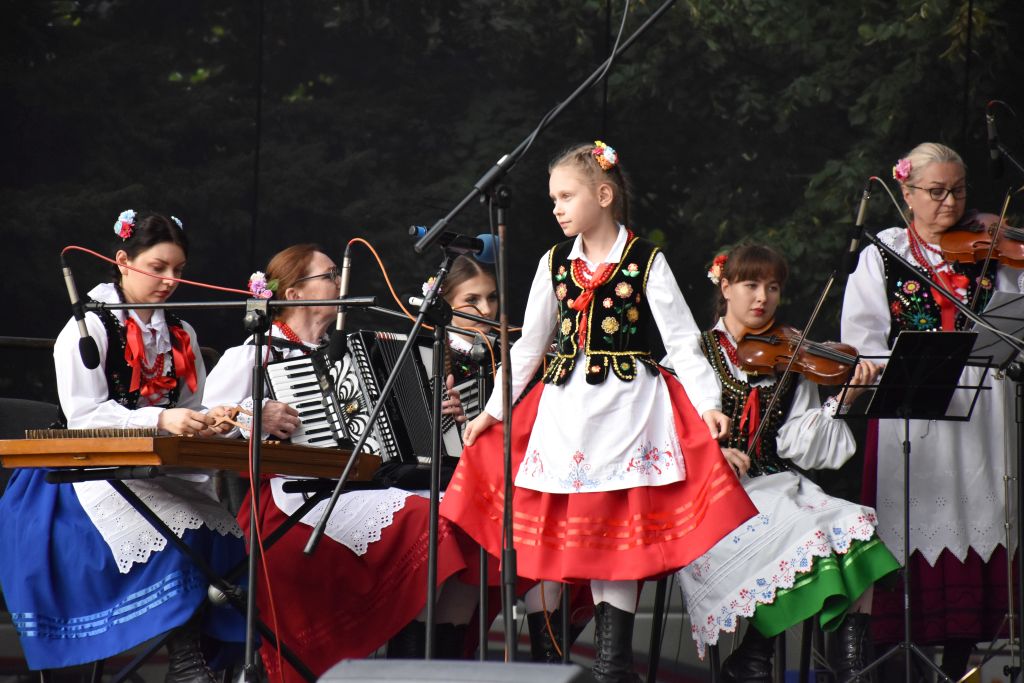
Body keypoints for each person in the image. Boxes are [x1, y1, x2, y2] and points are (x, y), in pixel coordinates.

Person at [440, 141, 758, 682]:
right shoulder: (554, 263)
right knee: (565, 530)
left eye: (566, 196)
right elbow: (529, 346)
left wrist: (708, 402)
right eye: (554, 199)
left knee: (619, 537)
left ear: (604, 196)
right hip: (566, 414)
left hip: (630, 411)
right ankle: (557, 660)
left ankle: (613, 663)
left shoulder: (645, 259)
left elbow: (682, 340)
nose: (557, 208)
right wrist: (494, 411)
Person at [202, 244, 477, 680]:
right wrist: (257, 412)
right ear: (294, 295)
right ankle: (405, 669)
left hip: (362, 487)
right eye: (329, 275)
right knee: (428, 521)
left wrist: (439, 415)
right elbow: (208, 421)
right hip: (293, 497)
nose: (340, 283)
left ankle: (429, 667)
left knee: (465, 513)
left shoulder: (348, 351)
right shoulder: (256, 354)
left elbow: (396, 431)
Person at [0, 211, 246, 682]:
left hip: (151, 473)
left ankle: (205, 661)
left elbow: (188, 407)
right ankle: (186, 665)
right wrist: (162, 418)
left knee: (224, 534)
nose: (170, 280)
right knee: (177, 534)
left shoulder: (181, 333)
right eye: (158, 267)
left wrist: (209, 421)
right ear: (122, 260)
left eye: (178, 270)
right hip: (78, 477)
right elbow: (85, 416)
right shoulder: (87, 328)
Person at [674, 244, 899, 683]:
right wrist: (710, 455)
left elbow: (800, 444)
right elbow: (666, 433)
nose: (763, 297)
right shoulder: (692, 354)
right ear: (725, 287)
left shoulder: (789, 358)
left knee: (854, 521)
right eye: (751, 285)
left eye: (773, 287)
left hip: (775, 484)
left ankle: (850, 667)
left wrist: (845, 398)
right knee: (807, 530)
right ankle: (755, 657)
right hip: (711, 497)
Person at [841, 142, 1023, 679]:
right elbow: (863, 338)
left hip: (983, 410)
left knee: (980, 523)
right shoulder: (883, 254)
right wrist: (887, 366)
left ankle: (961, 666)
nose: (950, 203)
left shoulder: (991, 250)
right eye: (937, 191)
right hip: (913, 409)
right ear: (907, 191)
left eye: (959, 191)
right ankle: (905, 665)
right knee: (913, 526)